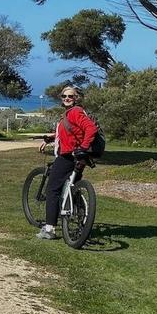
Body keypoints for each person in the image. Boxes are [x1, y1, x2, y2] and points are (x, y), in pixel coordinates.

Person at [37, 85, 99, 240]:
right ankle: (80, 220)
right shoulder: (71, 113)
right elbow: (72, 132)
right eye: (64, 96)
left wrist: (83, 147)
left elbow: (91, 129)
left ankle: (49, 229)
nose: (67, 98)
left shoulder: (75, 112)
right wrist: (51, 138)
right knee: (72, 187)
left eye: (70, 96)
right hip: (80, 156)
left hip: (68, 156)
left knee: (52, 189)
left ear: (76, 98)